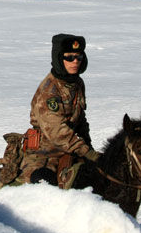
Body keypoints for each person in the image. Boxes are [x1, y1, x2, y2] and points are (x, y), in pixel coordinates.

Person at [18, 33, 99, 186]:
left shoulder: (77, 84)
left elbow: (80, 120)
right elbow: (56, 132)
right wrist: (86, 152)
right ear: (59, 59)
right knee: (44, 182)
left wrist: (89, 148)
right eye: (69, 57)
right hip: (44, 154)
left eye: (79, 57)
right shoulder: (50, 91)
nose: (75, 62)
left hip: (71, 149)